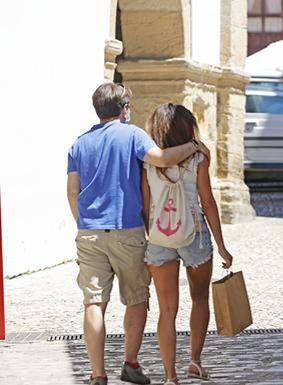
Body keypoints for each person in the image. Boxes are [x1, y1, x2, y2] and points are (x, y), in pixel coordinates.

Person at [67, 83, 211, 385]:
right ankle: (130, 364)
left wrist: (85, 223)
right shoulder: (131, 134)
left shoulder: (79, 144)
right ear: (125, 109)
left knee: (94, 303)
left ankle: (97, 374)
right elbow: (161, 158)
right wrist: (194, 146)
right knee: (136, 300)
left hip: (89, 233)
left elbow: (71, 191)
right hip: (127, 230)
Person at [141, 104, 234, 385]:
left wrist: (152, 237)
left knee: (167, 310)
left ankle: (170, 376)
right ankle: (194, 361)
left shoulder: (147, 163)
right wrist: (221, 245)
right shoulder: (198, 160)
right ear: (187, 129)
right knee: (200, 298)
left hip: (159, 238)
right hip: (194, 235)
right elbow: (207, 202)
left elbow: (146, 206)